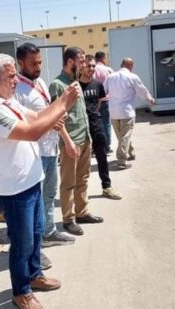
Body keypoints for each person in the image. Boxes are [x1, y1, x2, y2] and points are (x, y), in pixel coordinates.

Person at [0, 53, 79, 309]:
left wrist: (58, 107)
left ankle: (34, 275)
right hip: (14, 191)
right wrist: (64, 103)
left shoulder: (9, 102)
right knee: (22, 244)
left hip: (31, 183)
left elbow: (38, 116)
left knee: (36, 235)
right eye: (11, 76)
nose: (15, 81)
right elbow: (32, 132)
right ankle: (21, 291)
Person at [14, 43, 76, 251]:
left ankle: (49, 231)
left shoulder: (40, 82)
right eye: (33, 63)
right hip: (34, 154)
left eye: (40, 62)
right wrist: (50, 121)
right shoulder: (17, 91)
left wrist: (65, 138)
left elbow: (51, 114)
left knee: (49, 194)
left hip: (50, 150)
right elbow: (22, 125)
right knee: (35, 202)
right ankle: (35, 245)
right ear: (20, 63)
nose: (38, 67)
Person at [49, 47, 104, 236]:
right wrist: (68, 142)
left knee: (83, 179)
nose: (83, 65)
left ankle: (82, 212)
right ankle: (68, 219)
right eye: (81, 61)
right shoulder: (57, 85)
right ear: (70, 62)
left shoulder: (76, 82)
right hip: (71, 142)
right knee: (68, 183)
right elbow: (57, 117)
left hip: (84, 138)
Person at [79, 55, 122, 200]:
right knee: (81, 162)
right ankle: (79, 194)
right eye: (88, 66)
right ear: (81, 67)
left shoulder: (98, 85)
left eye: (93, 66)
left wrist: (94, 117)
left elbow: (98, 103)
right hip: (80, 128)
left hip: (96, 125)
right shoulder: (75, 86)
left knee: (102, 158)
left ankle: (106, 187)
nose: (91, 69)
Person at [104, 57, 155, 169]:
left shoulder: (110, 77)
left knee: (122, 136)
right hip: (127, 112)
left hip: (114, 112)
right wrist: (150, 99)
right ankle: (121, 161)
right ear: (131, 66)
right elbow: (141, 90)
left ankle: (131, 153)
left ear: (121, 65)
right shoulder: (132, 76)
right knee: (125, 136)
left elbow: (103, 91)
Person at [93, 51, 114, 153]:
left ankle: (96, 146)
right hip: (105, 100)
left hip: (94, 101)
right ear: (103, 58)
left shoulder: (92, 69)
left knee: (94, 124)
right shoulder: (108, 70)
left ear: (96, 58)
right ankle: (107, 146)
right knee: (106, 123)